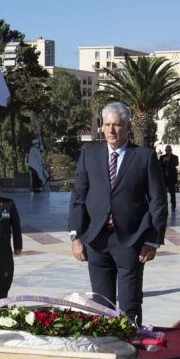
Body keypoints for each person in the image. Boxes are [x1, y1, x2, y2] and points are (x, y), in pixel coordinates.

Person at [68, 102, 167, 326]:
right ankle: (106, 353)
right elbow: (78, 198)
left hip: (131, 242)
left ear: (127, 126)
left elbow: (158, 202)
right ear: (101, 127)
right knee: (101, 306)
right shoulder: (89, 155)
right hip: (96, 240)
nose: (111, 130)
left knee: (130, 303)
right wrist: (76, 236)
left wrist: (152, 240)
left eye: (117, 125)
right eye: (107, 124)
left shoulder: (144, 157)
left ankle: (130, 353)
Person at [159, 145, 179, 212]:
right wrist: (164, 161)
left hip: (171, 179)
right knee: (163, 194)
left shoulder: (175, 157)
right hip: (164, 178)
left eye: (169, 150)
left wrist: (169, 160)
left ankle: (173, 206)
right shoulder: (162, 157)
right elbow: (159, 165)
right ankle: (164, 206)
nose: (167, 152)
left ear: (171, 150)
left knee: (172, 194)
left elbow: (176, 164)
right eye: (166, 150)